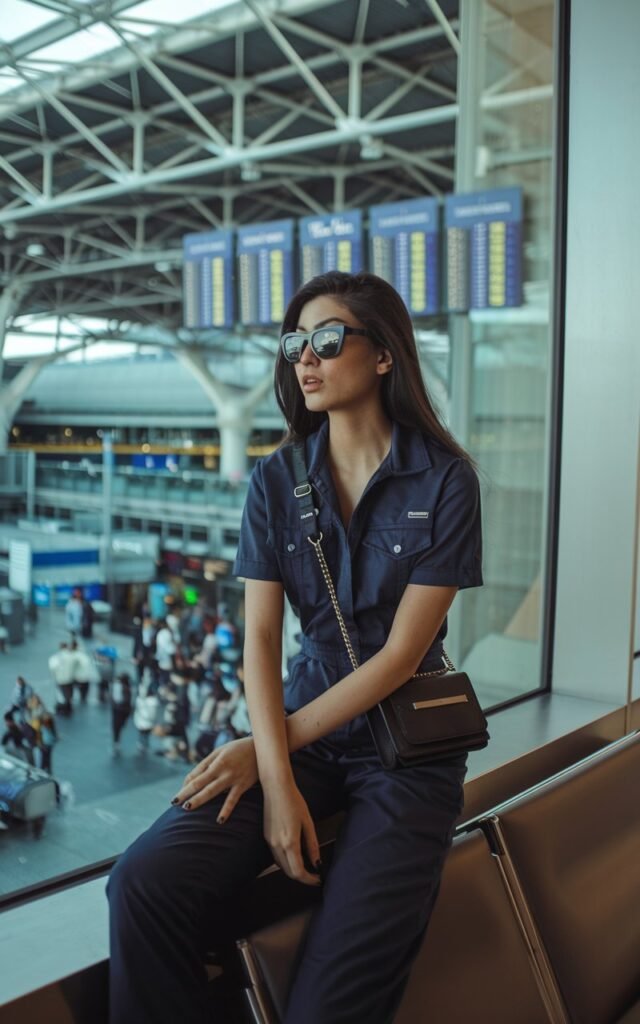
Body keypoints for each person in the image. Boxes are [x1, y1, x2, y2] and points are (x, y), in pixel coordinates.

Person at [107, 270, 483, 1024]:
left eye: (327, 340)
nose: (303, 359)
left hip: (405, 752)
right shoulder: (278, 479)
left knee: (328, 1005)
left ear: (384, 356)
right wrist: (277, 779)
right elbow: (260, 639)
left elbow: (399, 657)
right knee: (142, 883)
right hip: (304, 733)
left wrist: (266, 749)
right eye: (295, 344)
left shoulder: (445, 480)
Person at [110, 673, 133, 755]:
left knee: (117, 726)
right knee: (117, 726)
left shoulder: (124, 688)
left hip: (119, 710)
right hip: (120, 710)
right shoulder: (126, 688)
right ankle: (116, 741)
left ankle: (116, 741)